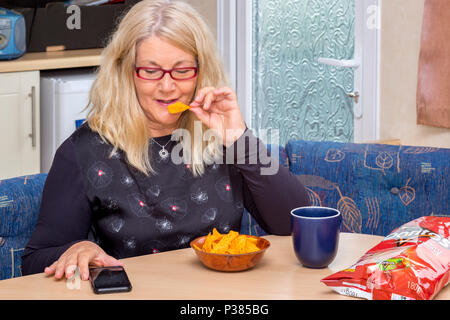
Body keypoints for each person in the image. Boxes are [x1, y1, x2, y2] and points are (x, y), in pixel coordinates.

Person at [21, 0, 309, 281]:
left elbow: (297, 225)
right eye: (151, 71)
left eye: (182, 71)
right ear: (125, 72)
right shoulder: (83, 151)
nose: (168, 86)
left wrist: (239, 138)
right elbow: (33, 261)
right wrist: (78, 248)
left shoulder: (222, 137)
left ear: (200, 72)